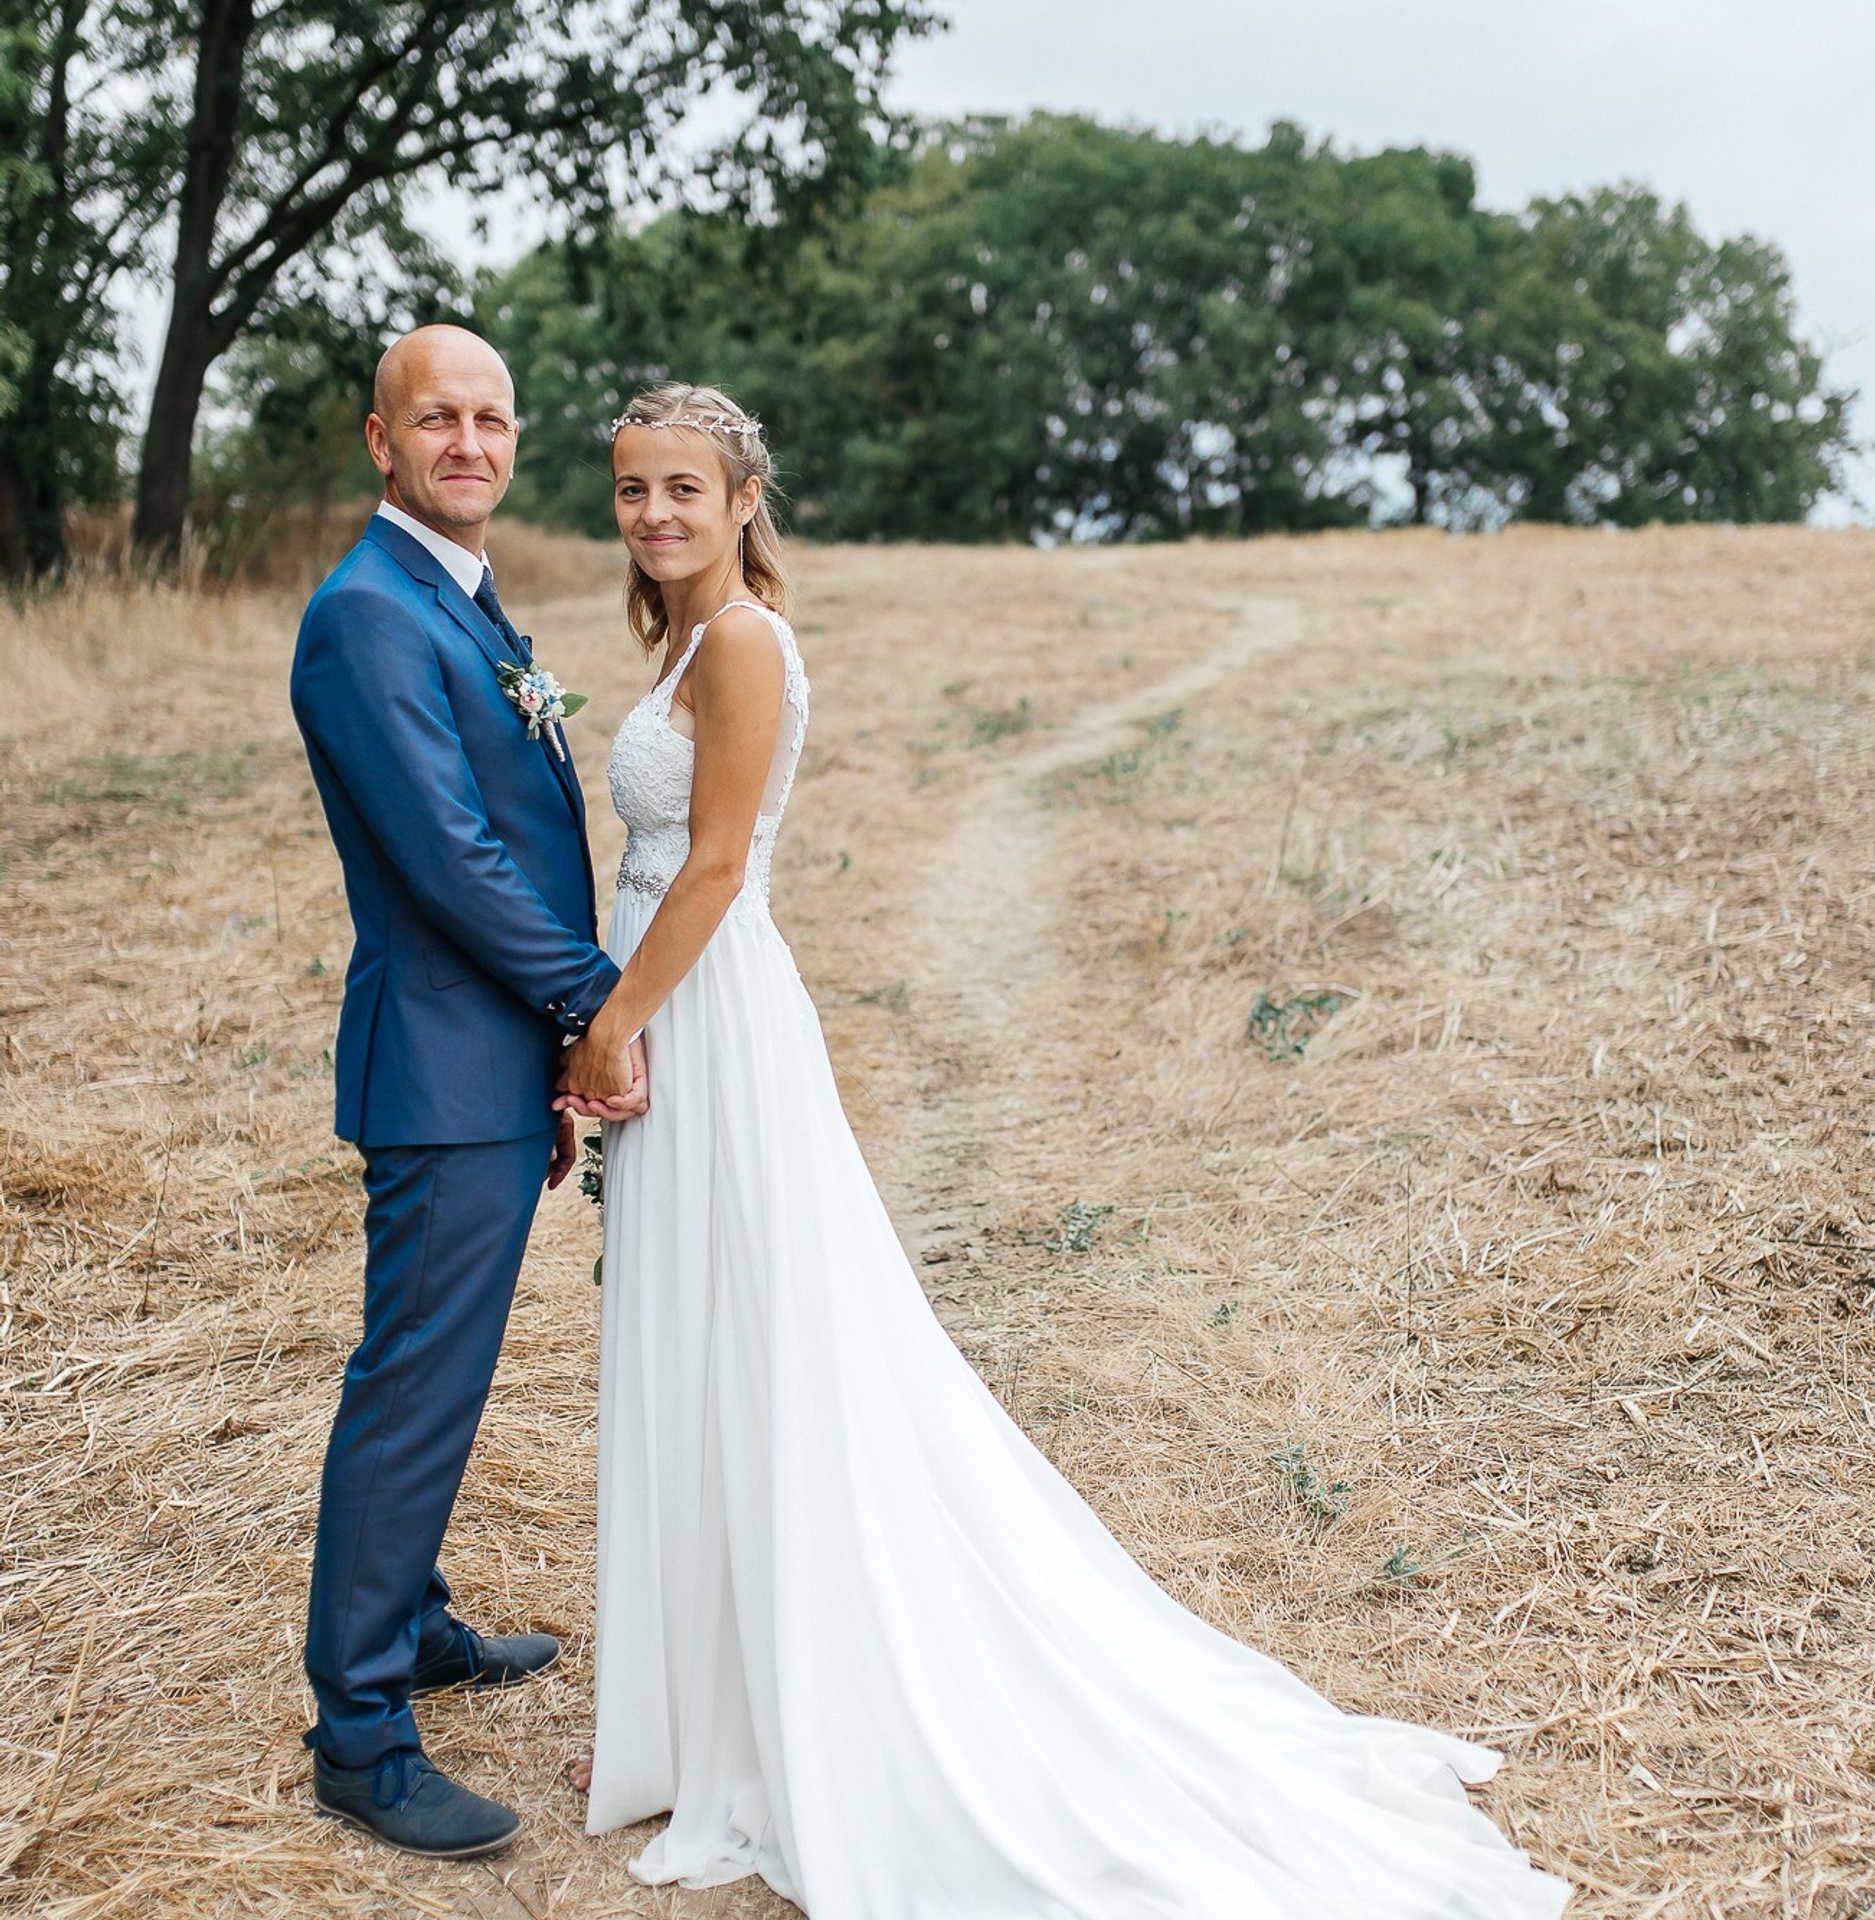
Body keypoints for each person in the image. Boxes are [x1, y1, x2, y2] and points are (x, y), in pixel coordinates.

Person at [558, 381, 1573, 1919]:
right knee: (702, 1347)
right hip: (677, 1010)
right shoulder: (691, 637)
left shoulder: (749, 642)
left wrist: (612, 1024)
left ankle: (765, 1721)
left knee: (753, 1349)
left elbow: (709, 864)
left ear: (744, 496)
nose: (655, 515)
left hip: (698, 1009)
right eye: (634, 490)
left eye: (684, 489)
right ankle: (700, 1715)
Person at [289, 325, 644, 1858]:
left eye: (493, 419)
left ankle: (415, 1619)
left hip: (483, 1059)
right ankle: (361, 1730)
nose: (470, 442)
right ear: (381, 441)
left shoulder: (456, 594)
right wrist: (587, 1006)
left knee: (439, 1373)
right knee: (412, 1382)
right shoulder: (368, 617)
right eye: (438, 418)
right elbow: (449, 859)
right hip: (445, 1059)